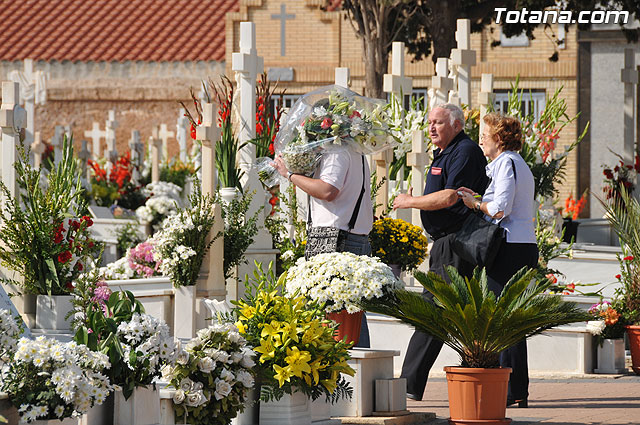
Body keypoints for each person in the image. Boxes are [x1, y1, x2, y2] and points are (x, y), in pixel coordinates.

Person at [393, 103, 489, 400]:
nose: (431, 127)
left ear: (457, 125)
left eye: (438, 122)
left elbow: (449, 197)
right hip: (445, 243)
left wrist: (409, 202)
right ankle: (486, 383)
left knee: (432, 312)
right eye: (430, 122)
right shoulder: (444, 152)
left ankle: (408, 385)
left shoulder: (464, 151)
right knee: (452, 313)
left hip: (456, 243)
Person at [457, 112, 538, 408]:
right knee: (510, 318)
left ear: (499, 139)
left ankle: (511, 390)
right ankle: (516, 390)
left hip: (509, 247)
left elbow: (501, 208)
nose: (480, 139)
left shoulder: (506, 162)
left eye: (485, 135)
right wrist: (480, 198)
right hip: (521, 245)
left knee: (502, 318)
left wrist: (474, 203)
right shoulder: (516, 163)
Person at [272, 146, 374, 346]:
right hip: (348, 235)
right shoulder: (354, 151)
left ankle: (349, 363)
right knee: (350, 314)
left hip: (336, 238)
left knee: (337, 315)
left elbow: (327, 190)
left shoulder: (337, 152)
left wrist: (290, 174)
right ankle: (357, 362)